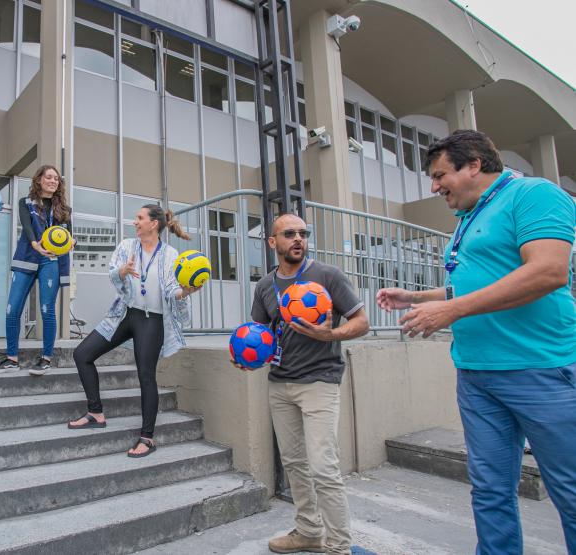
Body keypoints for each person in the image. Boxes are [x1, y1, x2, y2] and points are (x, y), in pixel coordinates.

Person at [376, 129, 576, 555]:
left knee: (570, 492)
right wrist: (417, 296)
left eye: (439, 175)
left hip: (540, 371)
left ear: (474, 165)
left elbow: (548, 272)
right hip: (477, 376)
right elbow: (472, 287)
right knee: (489, 491)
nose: (434, 187)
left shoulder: (535, 195)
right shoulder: (467, 218)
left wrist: (451, 311)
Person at [245, 213, 369, 554]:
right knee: (295, 464)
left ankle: (339, 546)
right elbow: (261, 335)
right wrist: (248, 357)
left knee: (323, 467)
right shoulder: (265, 286)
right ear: (272, 243)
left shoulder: (326, 275)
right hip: (280, 383)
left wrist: (332, 333)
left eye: (303, 233)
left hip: (320, 381)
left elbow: (362, 322)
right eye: (289, 234)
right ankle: (309, 531)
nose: (298, 238)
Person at [69, 204, 200, 457]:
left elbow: (173, 289)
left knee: (146, 376)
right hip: (125, 314)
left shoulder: (171, 255)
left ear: (154, 223)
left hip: (152, 320)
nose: (135, 222)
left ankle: (147, 438)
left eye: (139, 218)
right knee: (82, 354)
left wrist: (185, 292)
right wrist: (122, 271)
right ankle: (96, 412)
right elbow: (113, 273)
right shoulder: (127, 246)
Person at [0, 165, 73, 375]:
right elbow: (27, 226)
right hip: (27, 258)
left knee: (47, 310)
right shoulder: (25, 203)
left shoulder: (65, 210)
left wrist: (70, 243)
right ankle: (12, 359)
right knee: (13, 309)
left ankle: (46, 358)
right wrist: (35, 243)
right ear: (39, 180)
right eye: (48, 177)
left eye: (56, 178)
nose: (53, 181)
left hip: (51, 261)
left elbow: (69, 237)